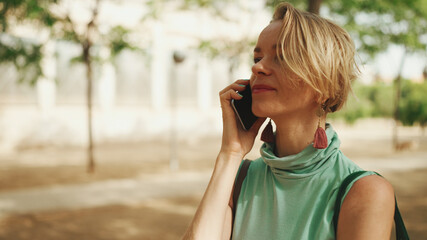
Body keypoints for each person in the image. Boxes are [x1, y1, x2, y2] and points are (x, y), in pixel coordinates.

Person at [183, 2, 395, 240]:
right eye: (257, 56)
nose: (258, 67)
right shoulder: (239, 179)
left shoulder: (364, 191)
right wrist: (230, 153)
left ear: (323, 85)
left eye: (281, 57)